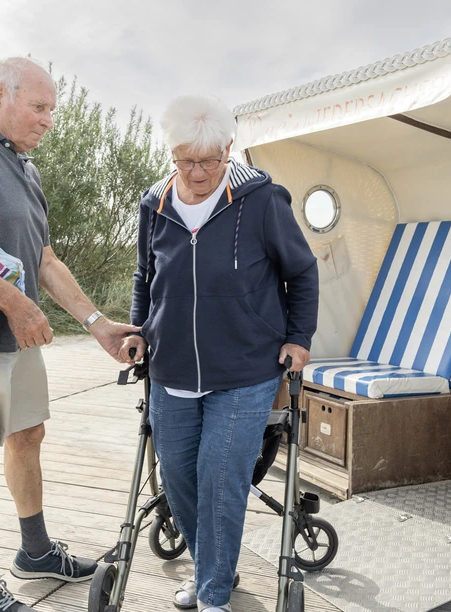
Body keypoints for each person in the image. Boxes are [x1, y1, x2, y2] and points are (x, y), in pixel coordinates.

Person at [0, 56, 137, 612]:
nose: (48, 120)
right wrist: (16, 304)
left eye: (52, 109)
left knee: (28, 437)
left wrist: (97, 325)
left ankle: (34, 552)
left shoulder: (25, 168)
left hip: (15, 336)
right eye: (38, 107)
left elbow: (44, 259)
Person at [120, 95, 318, 612]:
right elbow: (145, 275)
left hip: (245, 370)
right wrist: (139, 329)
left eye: (210, 160)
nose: (198, 171)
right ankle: (218, 570)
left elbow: (302, 271)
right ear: (171, 153)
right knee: (180, 478)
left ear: (230, 149)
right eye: (186, 159)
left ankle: (212, 596)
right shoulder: (153, 204)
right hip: (171, 369)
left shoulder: (261, 199)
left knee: (220, 479)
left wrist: (298, 338)